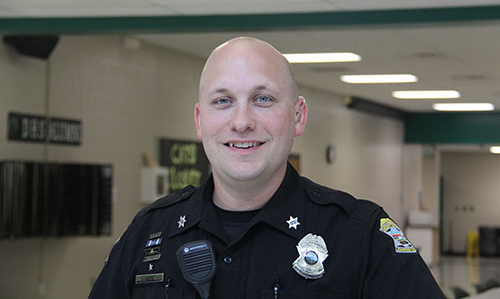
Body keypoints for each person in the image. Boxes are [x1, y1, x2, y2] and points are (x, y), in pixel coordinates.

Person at [89, 37, 445, 298]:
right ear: (200, 121)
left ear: (298, 116)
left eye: (263, 99)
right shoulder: (149, 234)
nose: (241, 121)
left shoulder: (361, 238)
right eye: (223, 101)